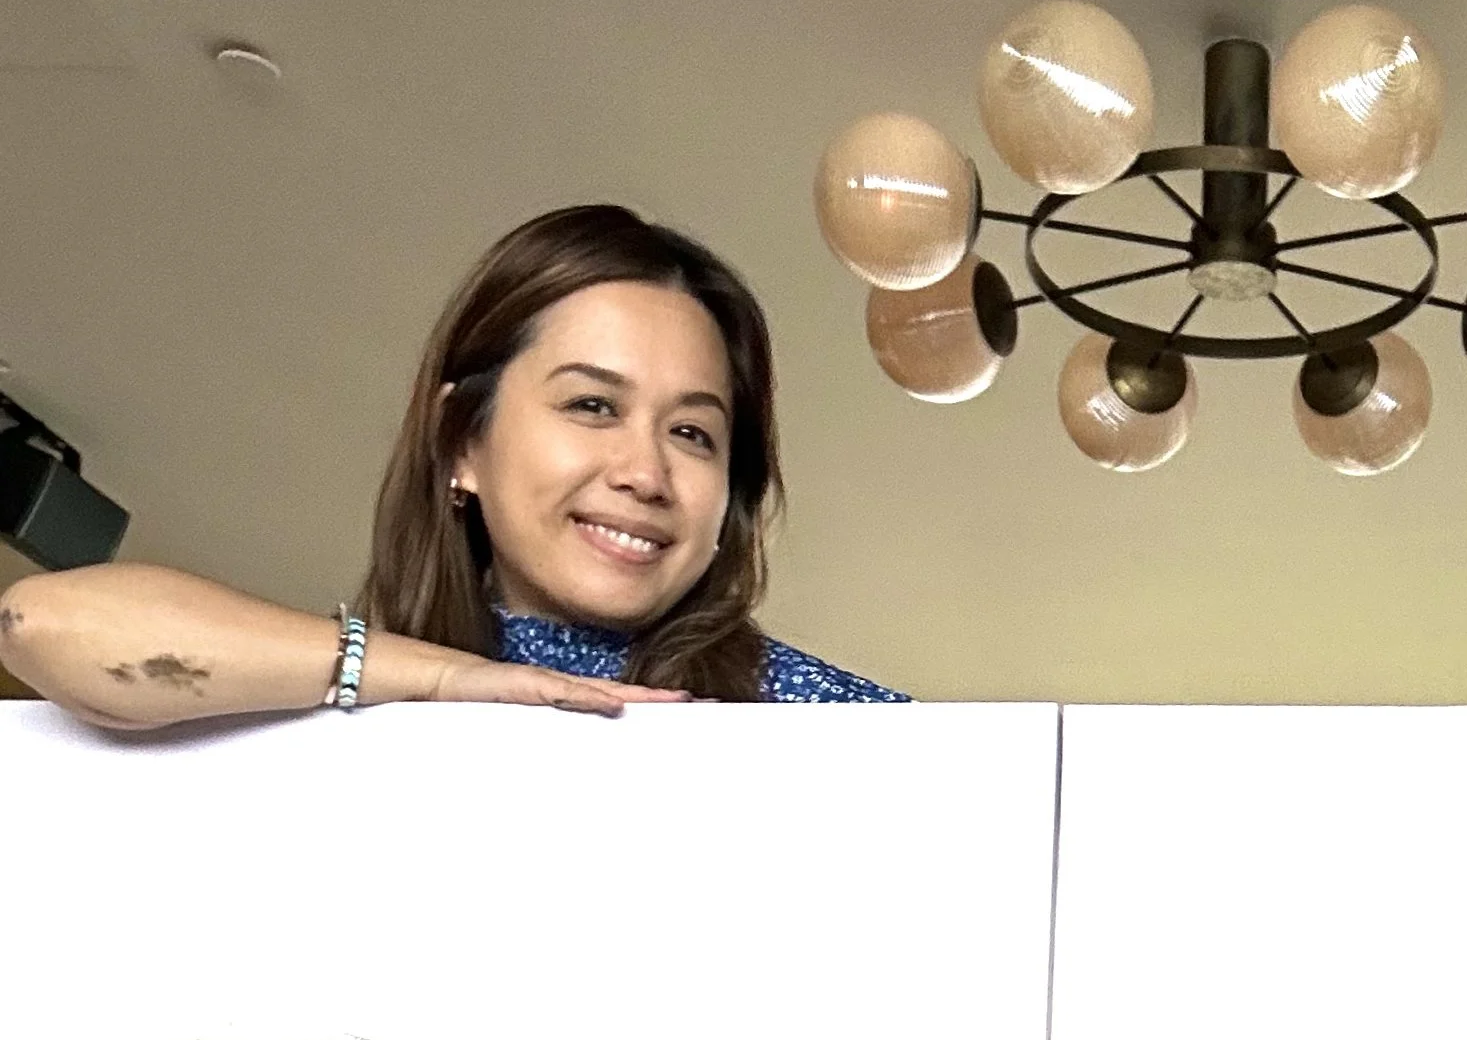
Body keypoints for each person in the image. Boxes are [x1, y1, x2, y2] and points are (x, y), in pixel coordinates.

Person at [0, 204, 903, 726]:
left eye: (695, 434)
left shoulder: (828, 726)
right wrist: (436, 678)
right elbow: (38, 623)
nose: (645, 472)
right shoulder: (349, 699)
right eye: (593, 405)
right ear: (459, 442)